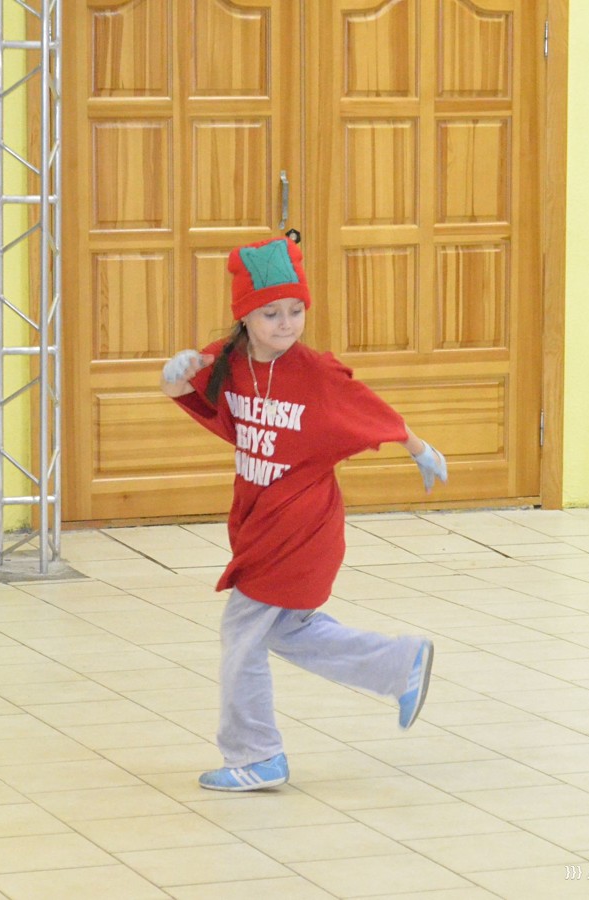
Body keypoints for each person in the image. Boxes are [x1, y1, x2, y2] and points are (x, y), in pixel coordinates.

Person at [160, 236, 448, 791]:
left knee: (243, 634)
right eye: (271, 314)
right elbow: (189, 396)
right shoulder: (227, 362)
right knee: (288, 630)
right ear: (245, 316)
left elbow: (371, 410)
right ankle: (399, 664)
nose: (286, 324)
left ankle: (257, 754)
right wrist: (172, 375)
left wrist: (418, 448)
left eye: (296, 311)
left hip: (301, 527)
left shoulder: (315, 373)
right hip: (259, 521)